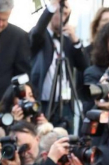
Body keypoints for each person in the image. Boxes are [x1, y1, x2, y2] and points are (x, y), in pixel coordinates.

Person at [30, 0, 87, 130]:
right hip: (44, 102)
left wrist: (76, 41)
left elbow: (84, 66)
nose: (63, 17)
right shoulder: (42, 36)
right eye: (59, 12)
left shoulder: (67, 41)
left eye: (66, 14)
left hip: (65, 103)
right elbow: (36, 34)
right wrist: (52, 7)